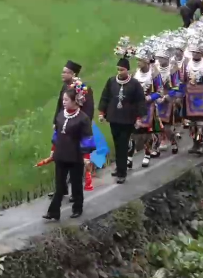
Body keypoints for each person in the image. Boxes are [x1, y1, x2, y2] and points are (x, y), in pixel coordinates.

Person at [43, 88, 91, 221]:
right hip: (60, 155)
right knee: (59, 185)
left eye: (66, 100)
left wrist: (86, 157)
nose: (63, 102)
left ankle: (77, 208)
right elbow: (56, 135)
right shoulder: (60, 115)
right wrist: (53, 150)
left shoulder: (83, 118)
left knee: (76, 184)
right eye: (63, 99)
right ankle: (53, 212)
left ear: (75, 101)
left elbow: (86, 138)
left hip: (75, 156)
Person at [98, 57, 146, 184]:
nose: (120, 72)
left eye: (122, 70)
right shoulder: (111, 81)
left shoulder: (134, 84)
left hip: (127, 119)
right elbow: (105, 97)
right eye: (118, 69)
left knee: (123, 144)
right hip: (114, 118)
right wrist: (102, 113)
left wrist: (139, 118)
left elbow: (140, 101)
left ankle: (122, 172)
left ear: (127, 70)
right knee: (117, 144)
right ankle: (119, 167)